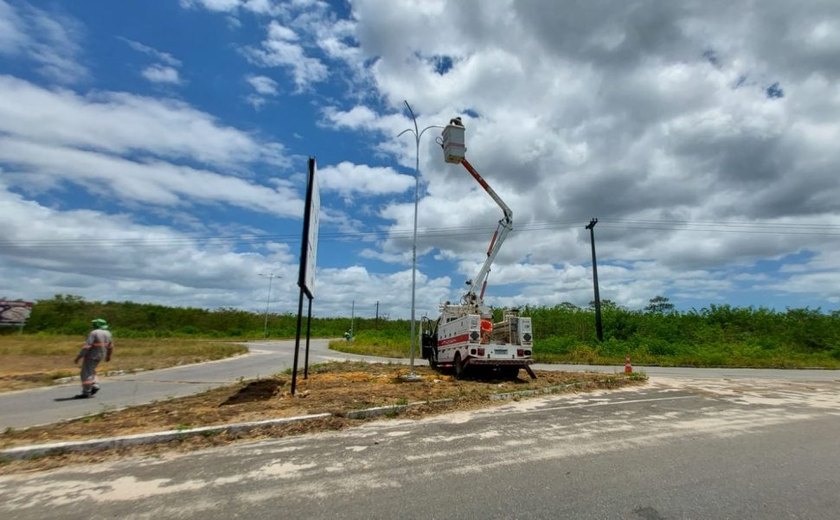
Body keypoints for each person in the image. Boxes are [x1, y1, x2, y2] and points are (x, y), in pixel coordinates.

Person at [73, 318, 113, 398]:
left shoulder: (94, 332)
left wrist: (79, 357)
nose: (92, 325)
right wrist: (108, 356)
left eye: (94, 324)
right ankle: (95, 385)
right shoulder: (108, 333)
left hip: (91, 355)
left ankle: (87, 392)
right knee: (91, 371)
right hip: (100, 356)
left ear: (97, 325)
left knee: (85, 373)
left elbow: (87, 346)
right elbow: (111, 346)